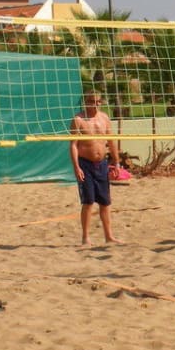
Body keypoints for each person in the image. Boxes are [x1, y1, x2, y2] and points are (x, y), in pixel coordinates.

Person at [70, 91, 122, 245]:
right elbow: (73, 145)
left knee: (105, 202)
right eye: (92, 101)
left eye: (98, 101)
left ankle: (109, 236)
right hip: (85, 164)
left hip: (102, 164)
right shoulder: (78, 120)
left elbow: (111, 141)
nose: (96, 104)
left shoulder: (104, 118)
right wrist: (76, 167)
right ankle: (85, 237)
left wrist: (117, 162)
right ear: (85, 102)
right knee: (88, 202)